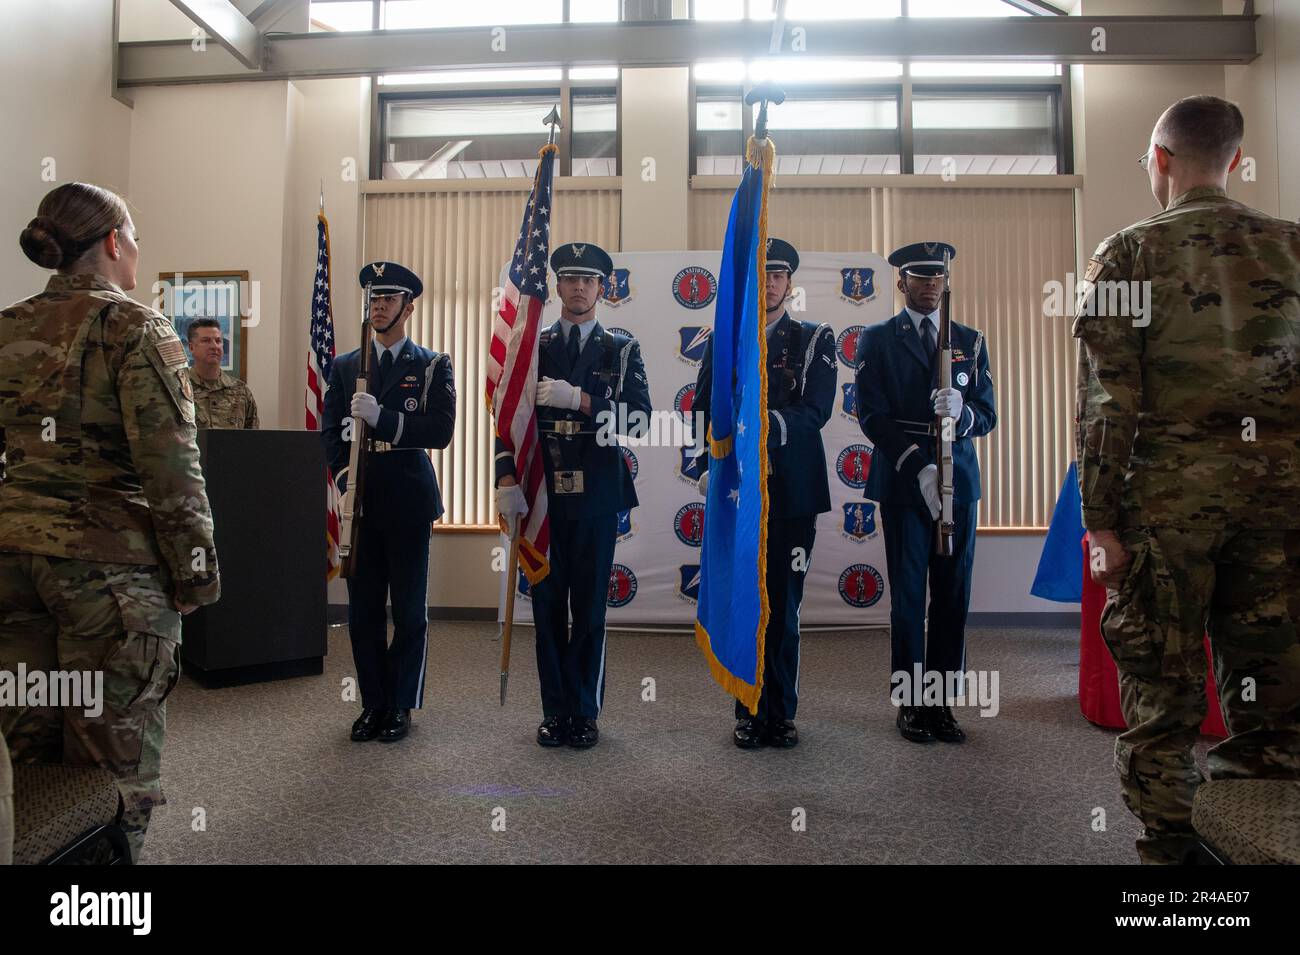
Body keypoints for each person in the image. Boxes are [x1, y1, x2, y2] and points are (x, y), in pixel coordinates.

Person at [1075, 95, 1300, 864]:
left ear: (1161, 159)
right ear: (1234, 161)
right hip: (1283, 506)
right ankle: (1257, 846)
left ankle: (1173, 864)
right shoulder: (1293, 248)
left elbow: (1109, 401)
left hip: (1167, 509)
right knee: (1275, 694)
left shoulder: (1131, 252)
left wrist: (1100, 520)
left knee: (1163, 691)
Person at [0, 182, 221, 861]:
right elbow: (171, 469)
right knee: (110, 778)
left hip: (12, 575)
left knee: (30, 772)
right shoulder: (134, 326)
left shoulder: (7, 326)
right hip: (110, 581)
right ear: (113, 242)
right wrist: (196, 575)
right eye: (134, 238)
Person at [494, 242, 651, 749]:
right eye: (569, 279)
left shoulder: (622, 349)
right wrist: (505, 479)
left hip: (597, 498)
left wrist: (581, 399)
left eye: (588, 280)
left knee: (588, 612)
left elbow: (642, 422)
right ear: (557, 287)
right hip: (543, 497)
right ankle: (554, 710)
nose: (579, 287)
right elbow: (507, 420)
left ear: (602, 289)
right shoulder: (533, 348)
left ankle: (584, 711)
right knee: (545, 611)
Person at [694, 238, 836, 749]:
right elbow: (702, 405)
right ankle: (748, 708)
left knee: (783, 605)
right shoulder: (725, 339)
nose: (770, 282)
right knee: (745, 603)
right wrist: (701, 465)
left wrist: (760, 425)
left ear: (789, 283)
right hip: (736, 495)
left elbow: (816, 410)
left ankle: (781, 712)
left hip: (793, 495)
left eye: (778, 274)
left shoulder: (815, 338)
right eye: (762, 274)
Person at [854, 242, 997, 745]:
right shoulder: (877, 340)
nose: (931, 285)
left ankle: (942, 703)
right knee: (910, 596)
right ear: (902, 284)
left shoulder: (970, 341)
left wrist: (964, 410)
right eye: (920, 277)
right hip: (904, 480)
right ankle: (912, 703)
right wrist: (917, 467)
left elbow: (988, 415)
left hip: (958, 481)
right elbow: (871, 415)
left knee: (953, 594)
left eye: (938, 277)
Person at [321, 262, 455, 744]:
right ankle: (372, 703)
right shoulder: (344, 366)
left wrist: (386, 418)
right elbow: (330, 433)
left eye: (389, 299)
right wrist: (343, 479)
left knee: (411, 611)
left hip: (408, 496)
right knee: (363, 613)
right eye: (373, 299)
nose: (378, 306)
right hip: (361, 501)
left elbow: (440, 431)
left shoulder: (432, 364)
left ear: (408, 307)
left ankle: (401, 703)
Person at [184, 317, 259, 429]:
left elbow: (254, 439)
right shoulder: (179, 389)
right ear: (191, 347)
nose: (214, 346)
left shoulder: (241, 391)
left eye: (218, 341)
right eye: (206, 341)